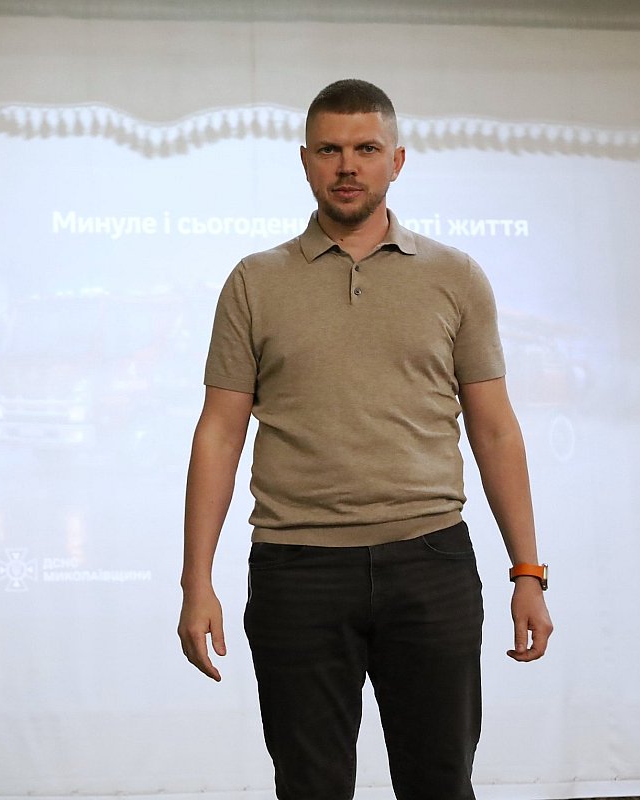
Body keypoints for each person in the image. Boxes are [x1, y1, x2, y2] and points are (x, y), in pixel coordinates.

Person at [176, 79, 553, 799]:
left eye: (366, 149)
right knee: (310, 788)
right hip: (297, 569)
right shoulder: (255, 282)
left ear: (396, 161)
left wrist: (527, 573)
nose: (347, 165)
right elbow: (219, 434)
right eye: (329, 150)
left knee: (440, 784)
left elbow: (496, 430)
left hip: (430, 561)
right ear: (305, 161)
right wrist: (197, 581)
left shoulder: (455, 277)